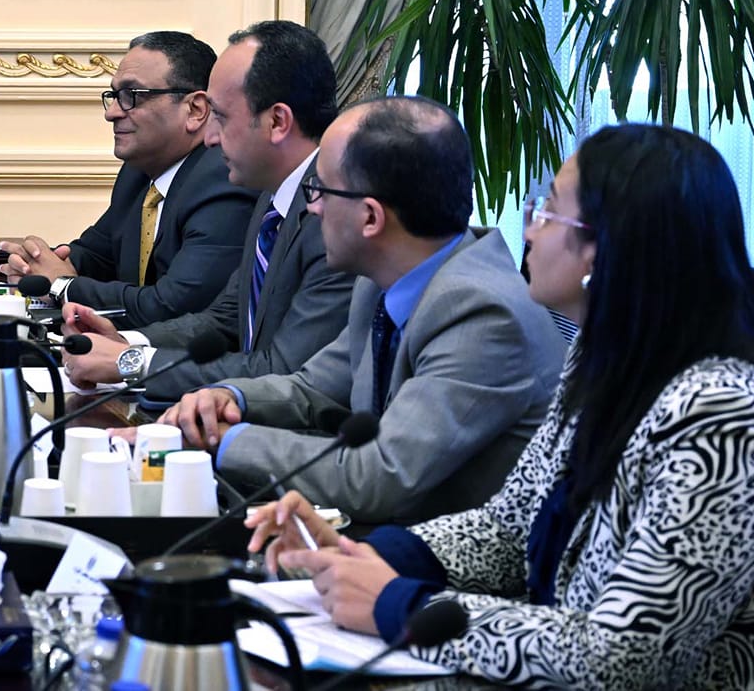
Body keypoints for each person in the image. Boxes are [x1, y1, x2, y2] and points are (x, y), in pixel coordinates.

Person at [252, 124, 754, 689]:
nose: (529, 230)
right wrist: (370, 558)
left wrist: (399, 604)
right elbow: (512, 529)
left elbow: (623, 656)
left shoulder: (722, 415)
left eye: (549, 212)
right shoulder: (600, 357)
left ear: (608, 247)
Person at [149, 96, 564, 523]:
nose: (312, 207)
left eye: (320, 190)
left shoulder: (482, 314)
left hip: (449, 555)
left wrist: (226, 442)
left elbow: (379, 478)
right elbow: (313, 389)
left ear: (370, 218)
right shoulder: (381, 283)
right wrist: (228, 398)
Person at [56, 21, 357, 401]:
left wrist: (133, 362)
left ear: (277, 122)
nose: (210, 137)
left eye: (222, 117)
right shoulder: (272, 199)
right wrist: (126, 342)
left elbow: (282, 369)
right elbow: (224, 320)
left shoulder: (335, 216)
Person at [0, 30, 253, 327]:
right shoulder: (137, 174)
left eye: (133, 96)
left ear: (195, 110)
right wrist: (37, 264)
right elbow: (96, 255)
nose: (113, 113)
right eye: (115, 96)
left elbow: (171, 306)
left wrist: (62, 285)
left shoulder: (223, 180)